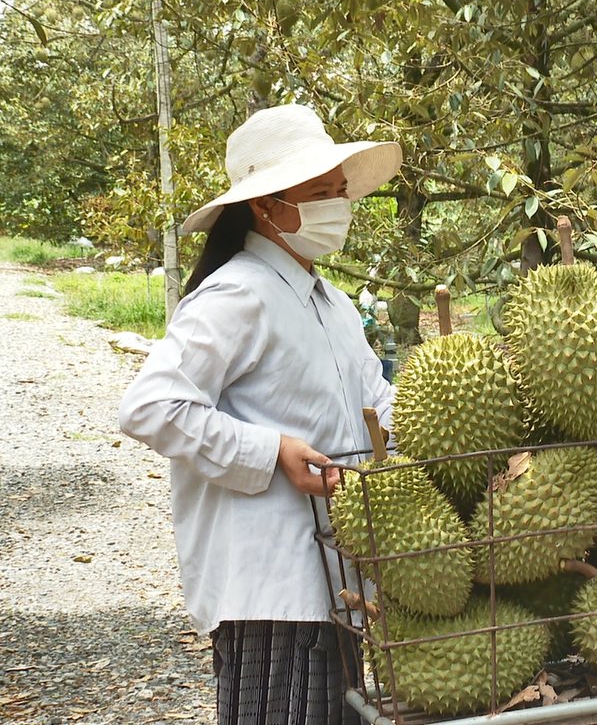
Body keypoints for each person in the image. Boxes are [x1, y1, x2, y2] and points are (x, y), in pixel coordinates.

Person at [119, 103, 402, 725]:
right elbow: (150, 405)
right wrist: (271, 450)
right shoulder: (237, 293)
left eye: (339, 192)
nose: (337, 206)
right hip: (273, 587)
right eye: (318, 193)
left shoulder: (334, 305)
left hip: (339, 577)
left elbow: (376, 401)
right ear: (265, 205)